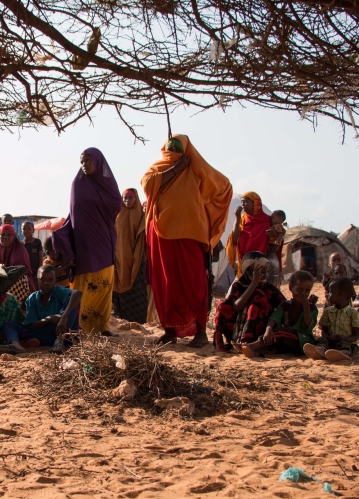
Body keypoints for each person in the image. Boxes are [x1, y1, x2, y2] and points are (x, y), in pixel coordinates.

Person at [142, 135, 233, 346]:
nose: (174, 150)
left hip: (191, 234)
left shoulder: (195, 168)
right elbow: (148, 185)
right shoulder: (157, 169)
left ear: (187, 150)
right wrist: (176, 168)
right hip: (162, 234)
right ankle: (170, 331)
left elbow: (223, 186)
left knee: (194, 283)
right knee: (167, 283)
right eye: (170, 146)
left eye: (178, 147)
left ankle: (200, 331)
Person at [53, 148, 123, 334]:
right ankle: (79, 326)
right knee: (83, 287)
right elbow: (74, 214)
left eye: (88, 161)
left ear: (98, 162)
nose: (84, 165)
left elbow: (117, 203)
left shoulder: (107, 184)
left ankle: (101, 326)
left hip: (104, 242)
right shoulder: (77, 184)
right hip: (83, 245)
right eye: (82, 161)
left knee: (103, 286)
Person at [0, 265, 83, 355]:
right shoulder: (32, 298)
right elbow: (32, 325)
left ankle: (59, 340)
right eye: (43, 279)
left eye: (50, 280)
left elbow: (78, 293)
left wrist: (64, 317)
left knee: (73, 300)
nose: (46, 283)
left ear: (55, 281)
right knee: (9, 325)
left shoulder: (58, 291)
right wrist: (49, 318)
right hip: (45, 333)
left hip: (65, 335)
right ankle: (15, 345)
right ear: (37, 280)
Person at [213, 252, 286, 355]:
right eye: (261, 272)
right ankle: (233, 342)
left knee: (258, 296)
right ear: (248, 272)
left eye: (266, 272)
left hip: (263, 332)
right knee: (222, 305)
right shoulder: (238, 286)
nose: (265, 275)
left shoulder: (269, 288)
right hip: (237, 328)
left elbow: (285, 305)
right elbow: (237, 306)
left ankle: (250, 344)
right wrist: (253, 284)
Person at [247, 270, 318, 357]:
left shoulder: (312, 308)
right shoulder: (285, 305)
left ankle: (252, 346)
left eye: (307, 291)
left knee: (280, 332)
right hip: (286, 340)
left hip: (302, 341)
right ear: (290, 288)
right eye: (299, 289)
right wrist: (268, 330)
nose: (303, 293)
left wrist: (306, 306)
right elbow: (274, 318)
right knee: (272, 338)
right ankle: (256, 353)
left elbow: (308, 326)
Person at [113, 187, 149, 323]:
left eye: (131, 197)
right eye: (125, 198)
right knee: (120, 286)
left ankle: (138, 320)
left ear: (136, 198)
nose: (128, 200)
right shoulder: (118, 215)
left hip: (137, 258)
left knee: (137, 287)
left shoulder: (141, 215)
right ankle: (121, 317)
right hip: (120, 259)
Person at [305, 277, 359, 363]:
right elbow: (324, 331)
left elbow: (356, 336)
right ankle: (321, 351)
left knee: (344, 345)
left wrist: (344, 338)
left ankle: (343, 354)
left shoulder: (353, 313)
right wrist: (328, 337)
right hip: (330, 341)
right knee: (321, 340)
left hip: (346, 342)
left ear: (341, 295)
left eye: (330, 292)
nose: (327, 295)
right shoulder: (328, 311)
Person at [0, 224, 36, 306]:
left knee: (20, 280)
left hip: (15, 283)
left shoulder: (20, 251)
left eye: (9, 235)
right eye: (3, 234)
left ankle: (12, 307)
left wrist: (6, 271)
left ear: (13, 237)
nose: (5, 237)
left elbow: (23, 271)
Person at [228, 192, 271, 269]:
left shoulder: (267, 221)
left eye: (245, 201)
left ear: (255, 203)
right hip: (245, 262)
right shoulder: (241, 219)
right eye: (241, 202)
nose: (242, 204)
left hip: (262, 264)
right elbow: (234, 241)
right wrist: (237, 219)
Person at [266, 210, 287, 284]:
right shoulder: (273, 226)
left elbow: (282, 233)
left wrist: (278, 239)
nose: (271, 220)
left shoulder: (278, 227)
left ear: (280, 218)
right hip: (273, 254)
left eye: (273, 218)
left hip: (273, 249)